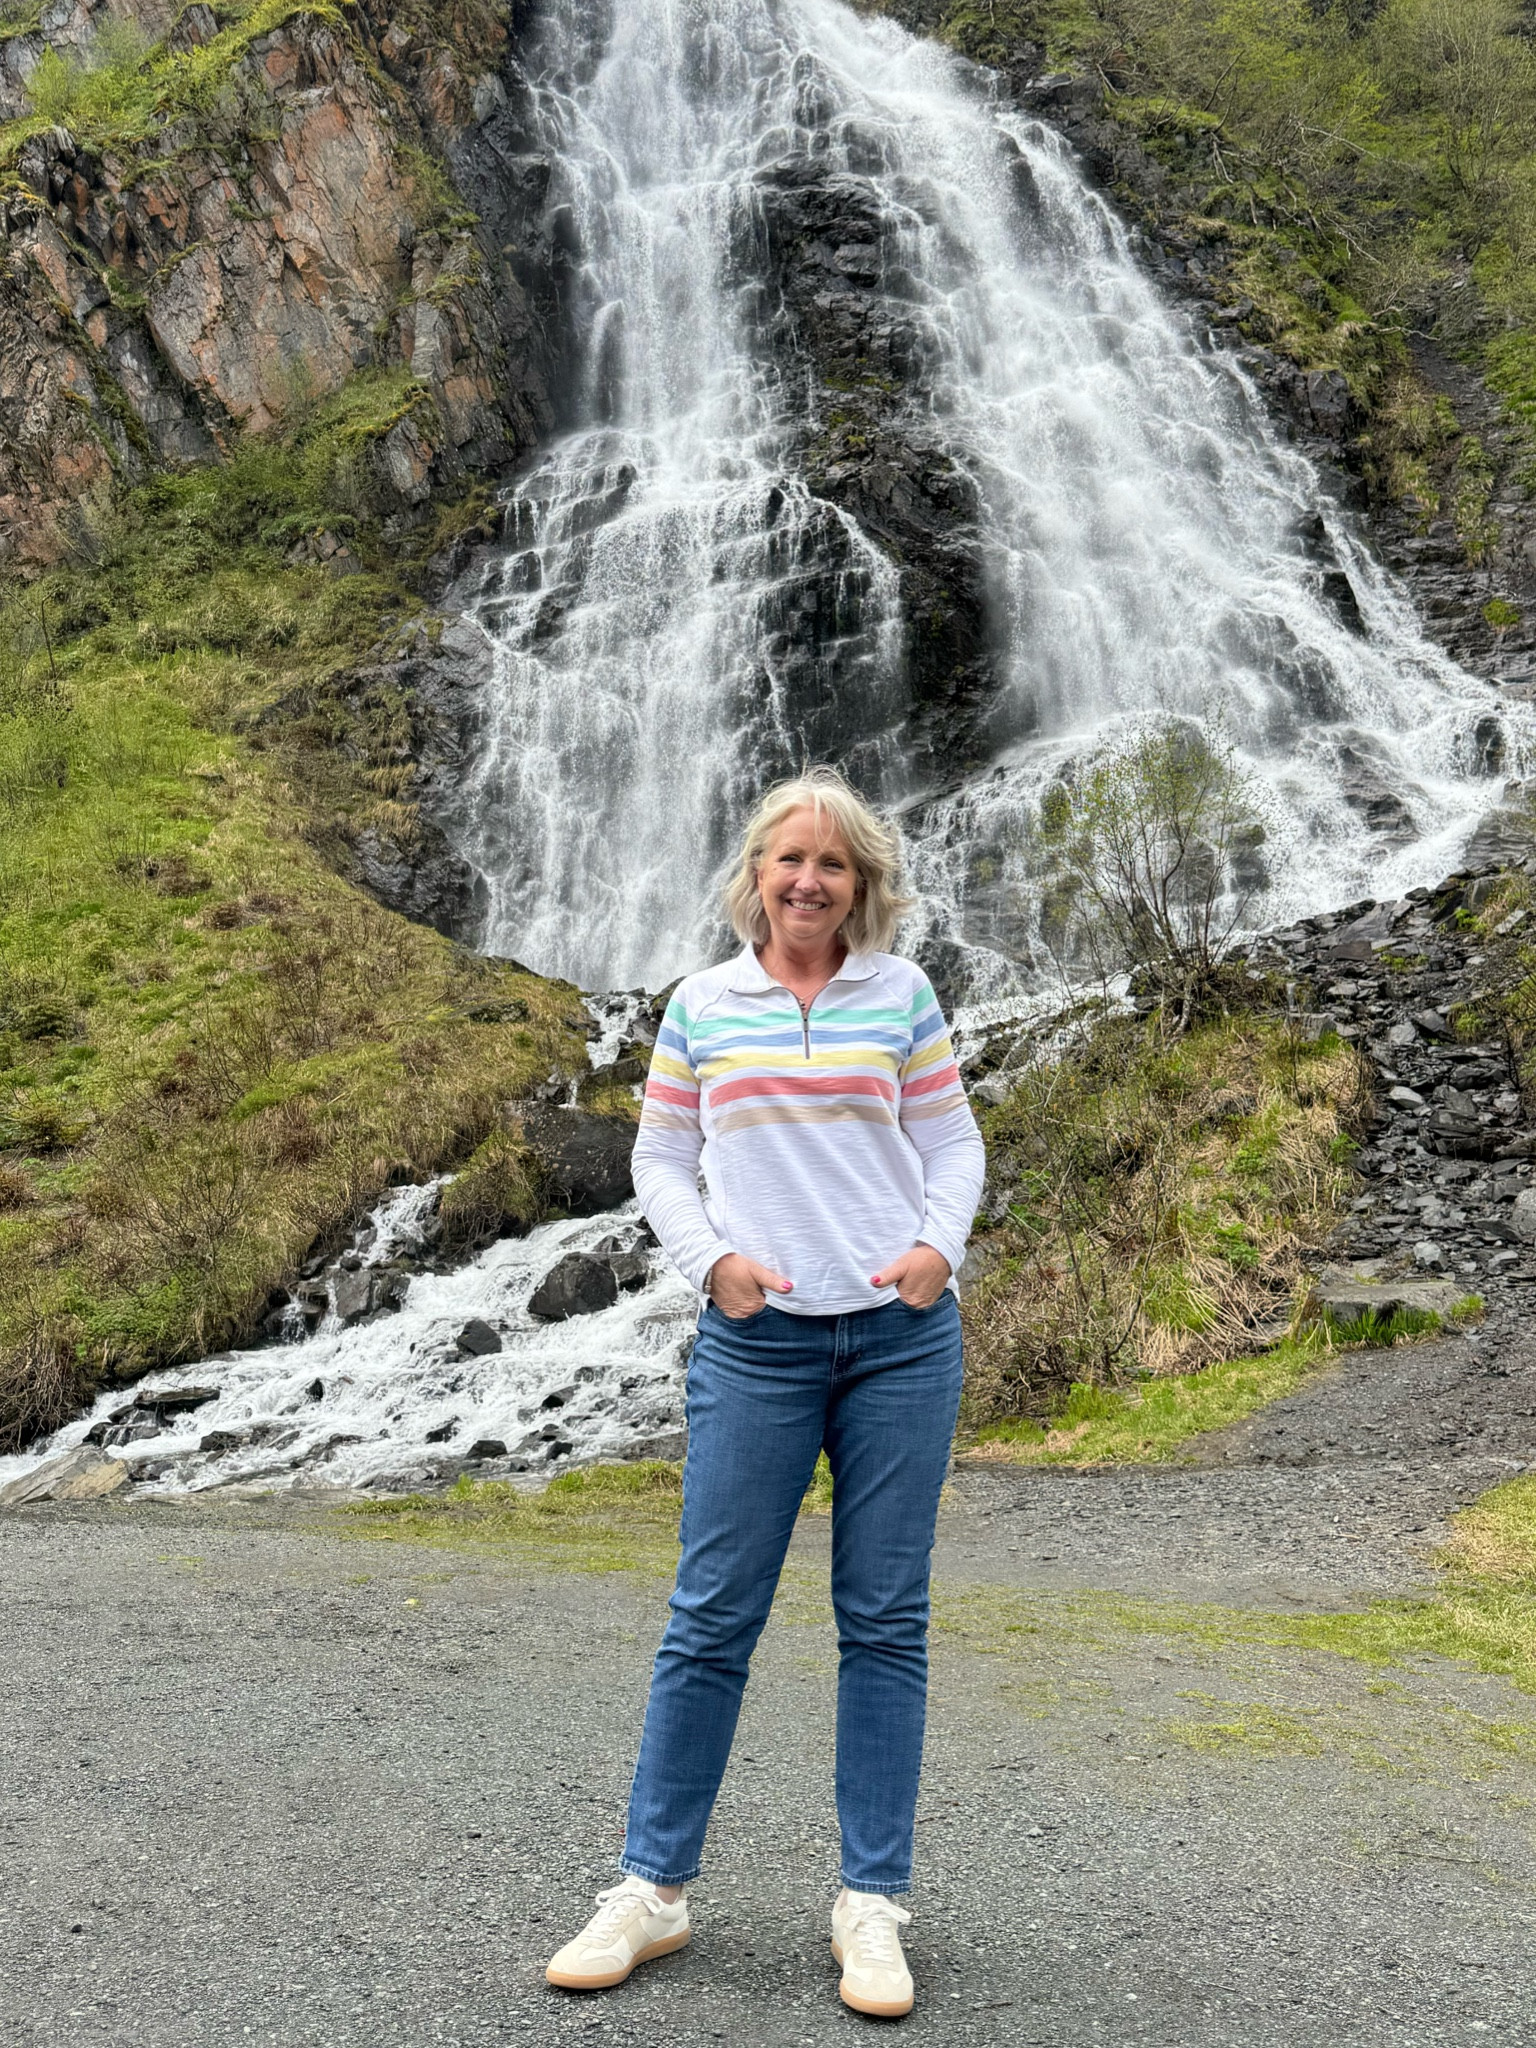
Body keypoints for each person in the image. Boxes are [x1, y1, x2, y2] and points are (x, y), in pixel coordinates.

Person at [545, 766, 985, 2018]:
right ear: (756, 874)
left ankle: (871, 1903)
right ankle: (652, 1889)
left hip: (901, 1339)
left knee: (885, 1618)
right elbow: (662, 1154)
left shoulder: (902, 994)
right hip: (759, 1342)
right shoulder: (701, 1003)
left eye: (833, 863)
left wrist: (937, 1250)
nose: (808, 879)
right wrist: (714, 1264)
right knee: (710, 1613)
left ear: (862, 885)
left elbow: (951, 1141)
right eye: (789, 859)